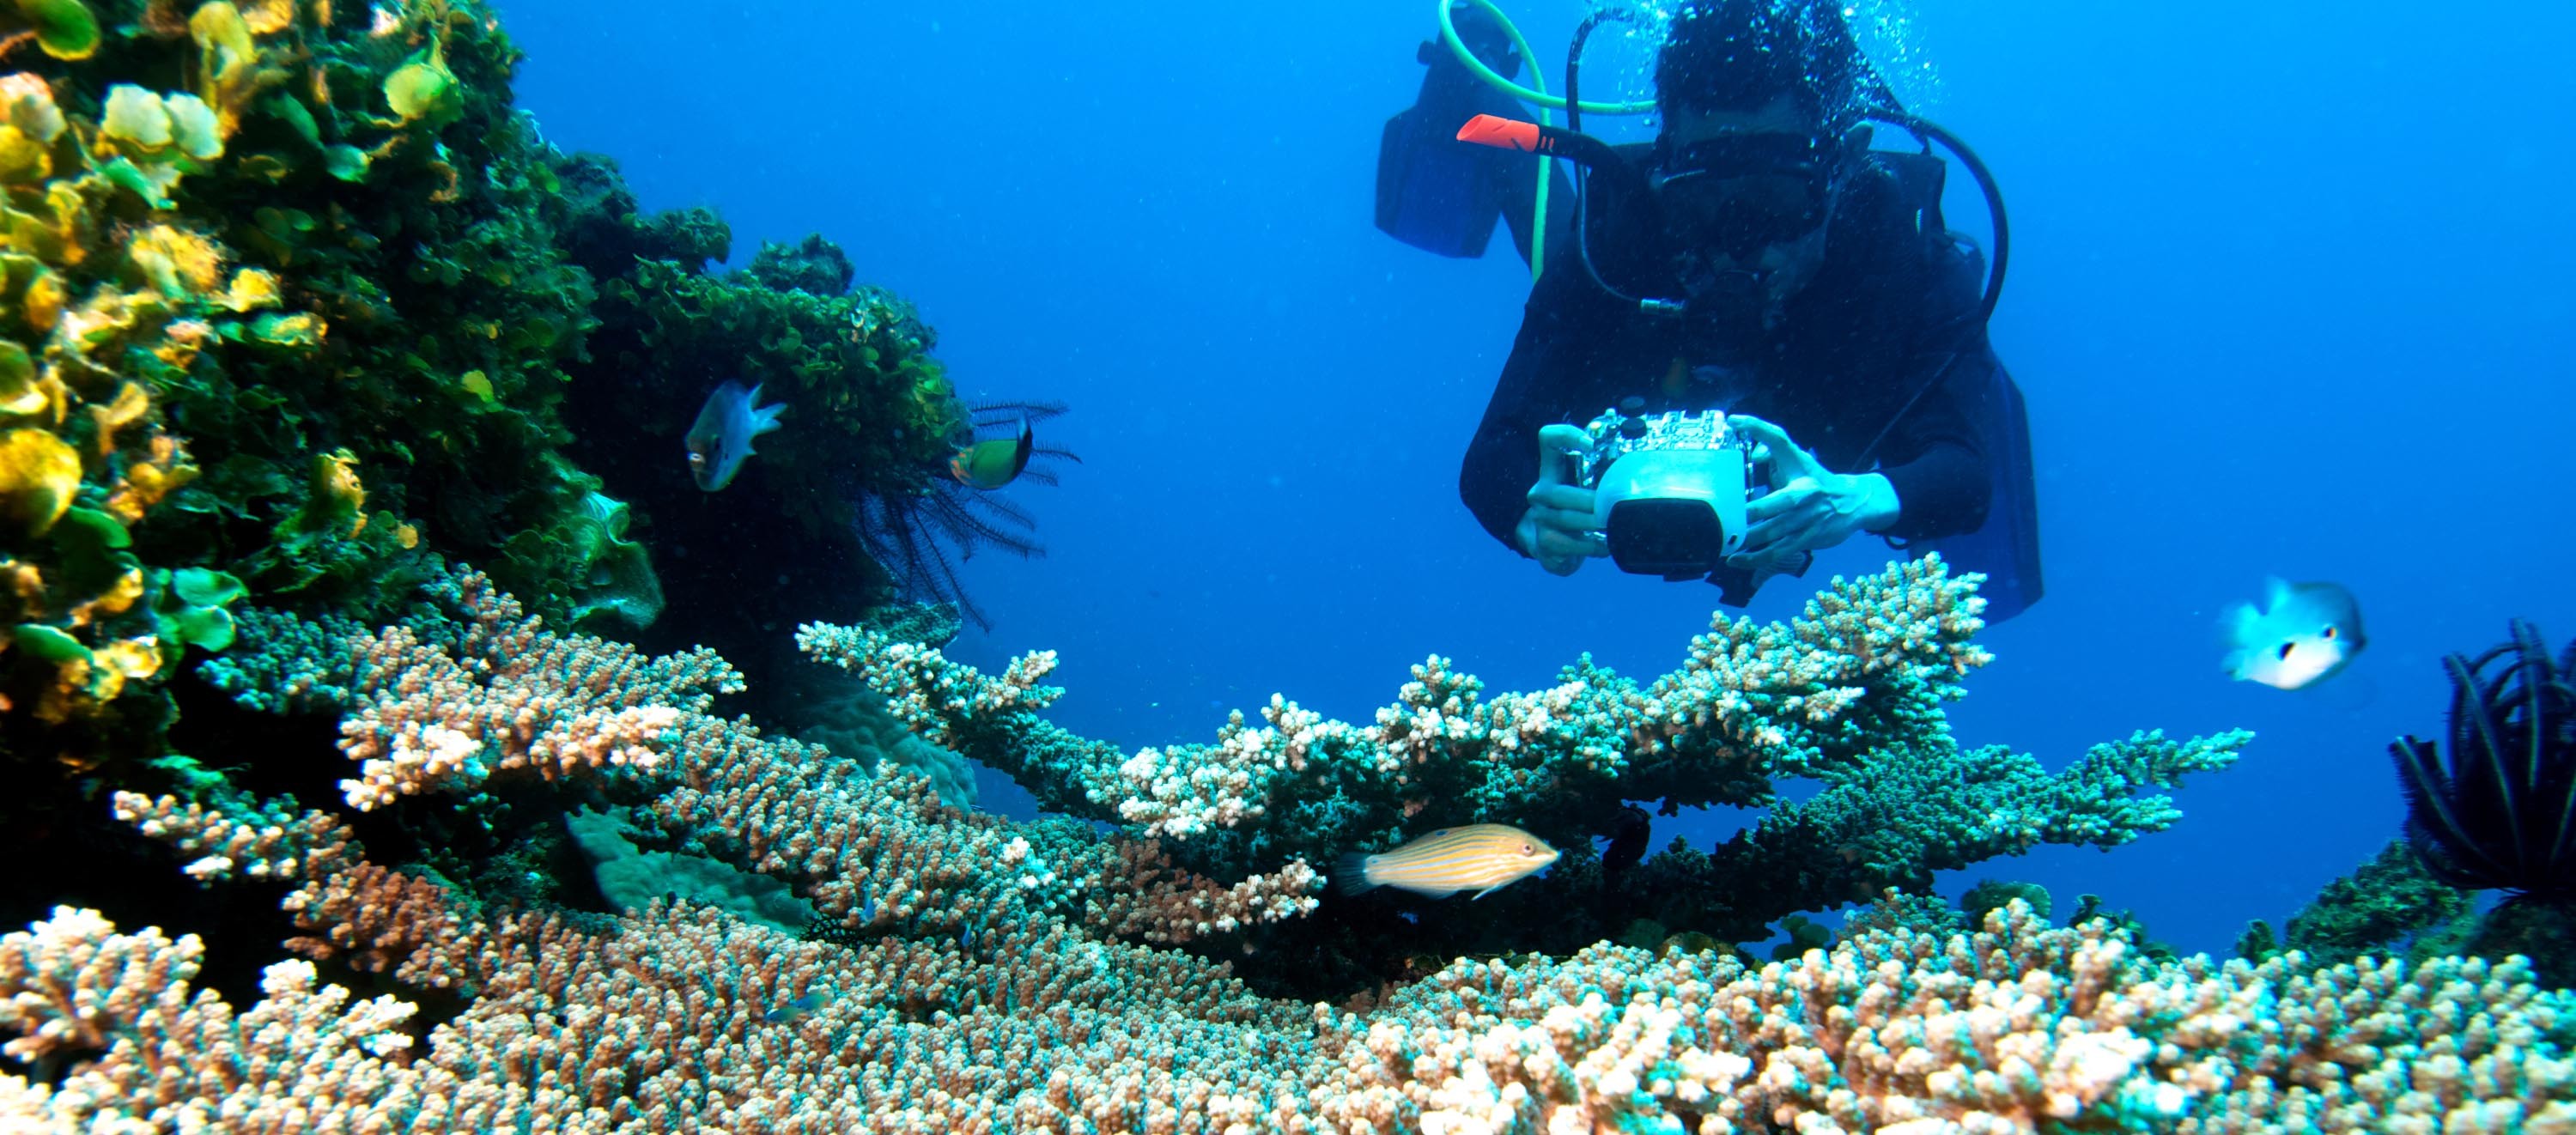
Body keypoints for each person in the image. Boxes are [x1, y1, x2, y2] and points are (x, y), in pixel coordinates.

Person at [1382, 0, 2042, 617]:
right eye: (1703, 202)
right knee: (1558, 235)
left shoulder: (1904, 255)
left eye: (1774, 200)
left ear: (1842, 166)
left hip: (1846, 407)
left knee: (1973, 513)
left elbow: (1966, 475)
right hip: (1641, 326)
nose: (1737, 246)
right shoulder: (1624, 236)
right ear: (1667, 170)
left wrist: (1861, 495)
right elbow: (1489, 460)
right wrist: (1526, 516)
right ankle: (1471, 82)